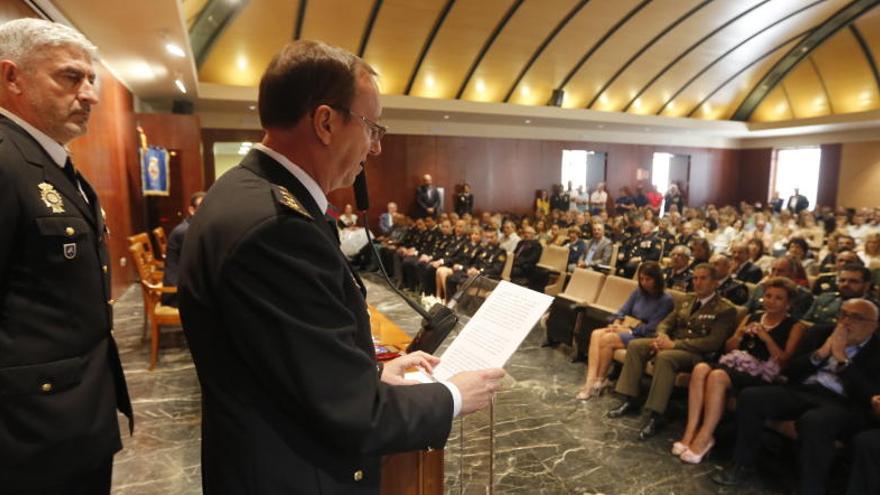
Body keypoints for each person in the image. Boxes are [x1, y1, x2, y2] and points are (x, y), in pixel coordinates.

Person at [177, 40, 504, 494]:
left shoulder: (244, 190)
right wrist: (452, 396)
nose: (375, 149)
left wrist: (370, 374)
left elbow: (286, 360)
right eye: (372, 128)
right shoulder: (277, 228)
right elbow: (349, 413)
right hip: (290, 471)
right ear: (326, 122)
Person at [0, 18, 132, 493]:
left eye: (91, 79)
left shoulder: (47, 160)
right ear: (12, 77)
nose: (90, 94)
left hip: (71, 420)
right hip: (29, 436)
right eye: (70, 77)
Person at [713, 299, 880, 493]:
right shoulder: (821, 332)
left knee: (815, 421)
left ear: (874, 324)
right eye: (843, 314)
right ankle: (742, 464)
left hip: (844, 403)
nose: (845, 322)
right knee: (752, 397)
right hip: (805, 390)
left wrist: (842, 359)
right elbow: (791, 371)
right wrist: (821, 353)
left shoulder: (876, 349)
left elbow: (870, 394)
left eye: (856, 318)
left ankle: (810, 489)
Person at [674, 277, 803, 464]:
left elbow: (784, 362)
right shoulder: (753, 316)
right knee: (701, 368)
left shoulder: (795, 326)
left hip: (762, 374)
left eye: (778, 298)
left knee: (717, 375)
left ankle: (705, 436)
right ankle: (690, 431)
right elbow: (728, 348)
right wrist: (740, 335)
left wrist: (766, 338)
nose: (771, 301)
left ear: (788, 303)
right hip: (736, 365)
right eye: (768, 296)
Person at [608, 264, 737, 440]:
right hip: (671, 343)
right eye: (695, 278)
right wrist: (661, 337)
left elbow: (712, 343)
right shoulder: (687, 299)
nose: (697, 282)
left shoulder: (725, 309)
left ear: (715, 283)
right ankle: (631, 399)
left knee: (666, 357)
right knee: (637, 346)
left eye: (703, 278)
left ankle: (656, 414)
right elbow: (666, 323)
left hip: (696, 354)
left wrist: (673, 345)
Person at [576, 262, 673, 400]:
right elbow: (622, 311)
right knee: (596, 333)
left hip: (644, 336)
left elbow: (652, 328)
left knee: (607, 339)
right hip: (627, 329)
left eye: (648, 279)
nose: (644, 282)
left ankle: (600, 379)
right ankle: (590, 381)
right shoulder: (638, 292)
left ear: (657, 279)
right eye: (641, 279)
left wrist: (629, 329)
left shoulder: (665, 300)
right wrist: (616, 323)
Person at [161, 191, 206, 307]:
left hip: (183, 286)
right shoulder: (185, 232)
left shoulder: (192, 227)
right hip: (176, 293)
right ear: (191, 210)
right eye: (202, 207)